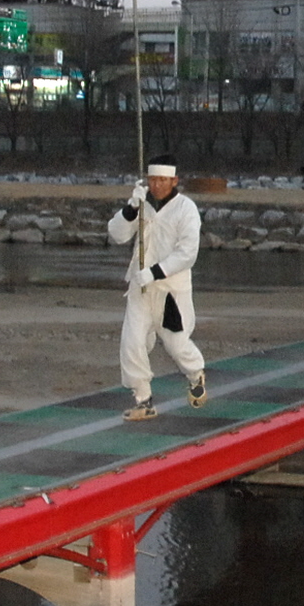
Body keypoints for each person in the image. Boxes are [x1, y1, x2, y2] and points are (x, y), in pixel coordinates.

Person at [107, 156, 208, 420]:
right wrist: (131, 209)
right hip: (140, 287)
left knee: (176, 343)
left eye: (163, 180)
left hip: (170, 289)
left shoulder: (186, 209)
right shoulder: (143, 204)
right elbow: (117, 234)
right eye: (153, 180)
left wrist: (155, 272)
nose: (157, 185)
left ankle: (195, 374)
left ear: (174, 181)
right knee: (132, 343)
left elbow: (188, 253)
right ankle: (143, 399)